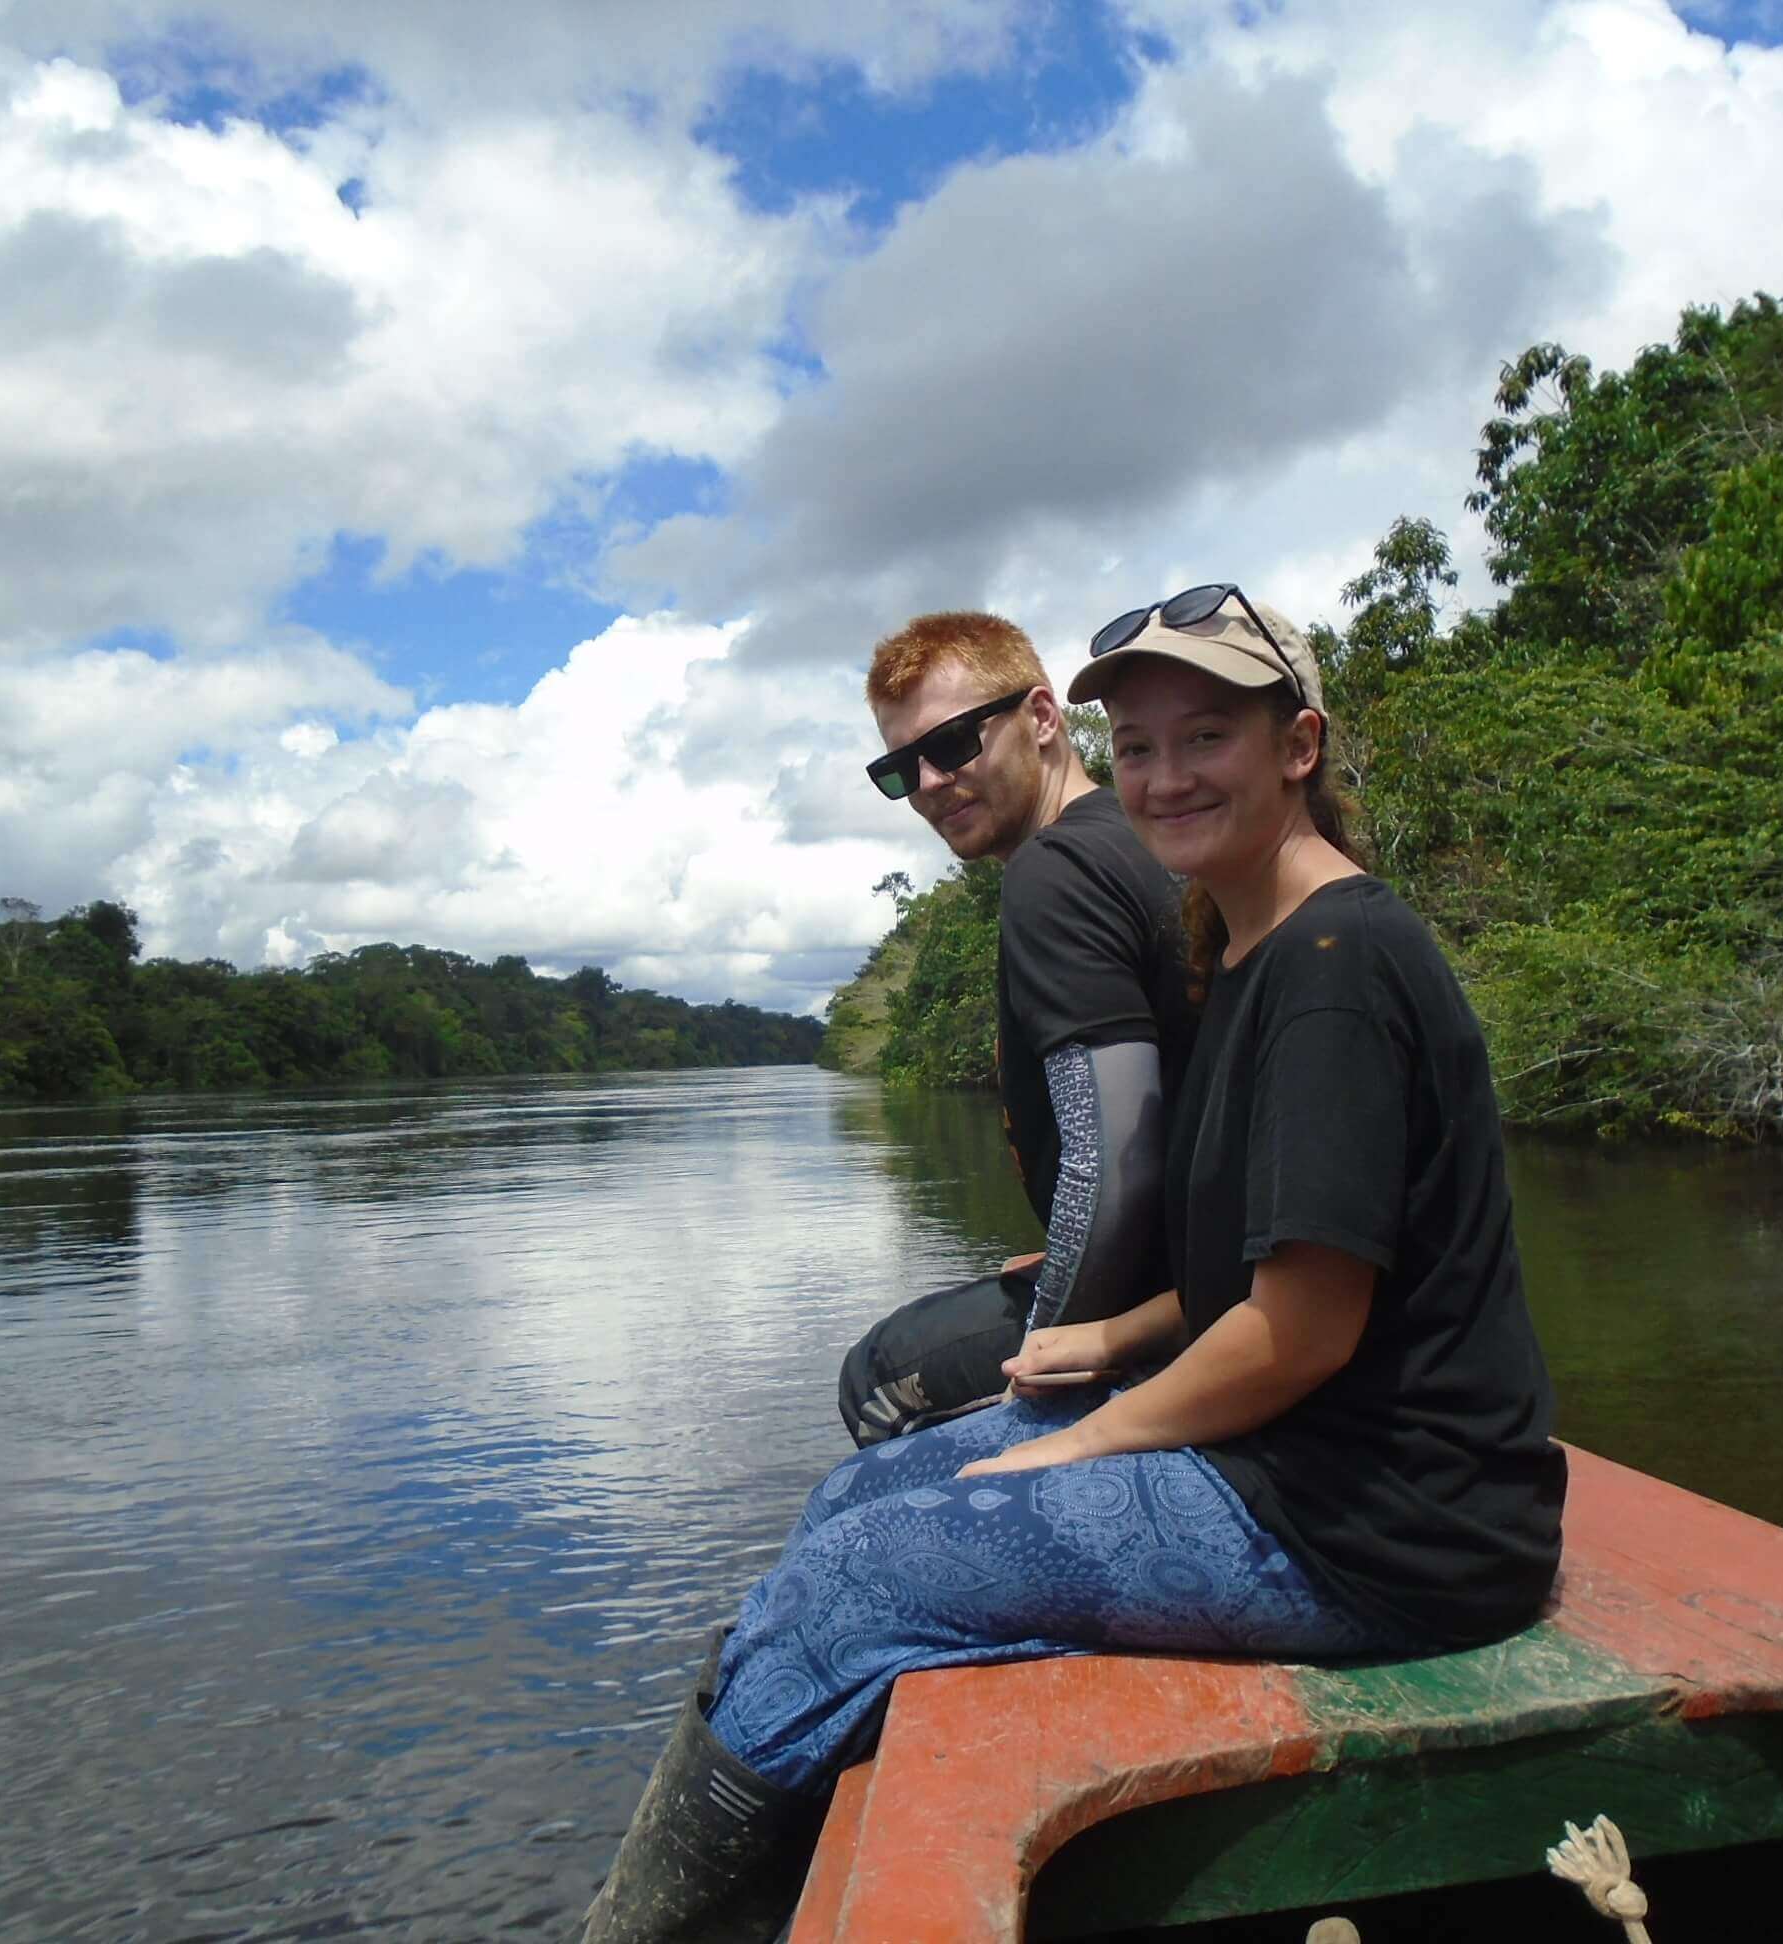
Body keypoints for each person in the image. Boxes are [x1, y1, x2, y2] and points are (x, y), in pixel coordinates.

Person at [581, 588, 1564, 1944]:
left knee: (856, 1584)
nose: (1161, 779)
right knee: (861, 1494)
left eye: (1204, 737)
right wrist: (1102, 1342)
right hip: (1296, 1468)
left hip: (1377, 1529)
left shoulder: (1336, 967)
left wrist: (1076, 1445)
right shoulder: (1245, 946)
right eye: (1143, 745)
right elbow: (1242, 1281)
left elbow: (1300, 1337)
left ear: (1299, 746)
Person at [835, 611, 1195, 1446]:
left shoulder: (1054, 872)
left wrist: (1059, 1342)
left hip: (1167, 1303)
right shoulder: (1138, 839)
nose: (928, 782)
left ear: (1040, 718)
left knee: (880, 1377)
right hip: (1186, 1270)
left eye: (954, 743)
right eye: (899, 769)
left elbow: (1113, 1158)